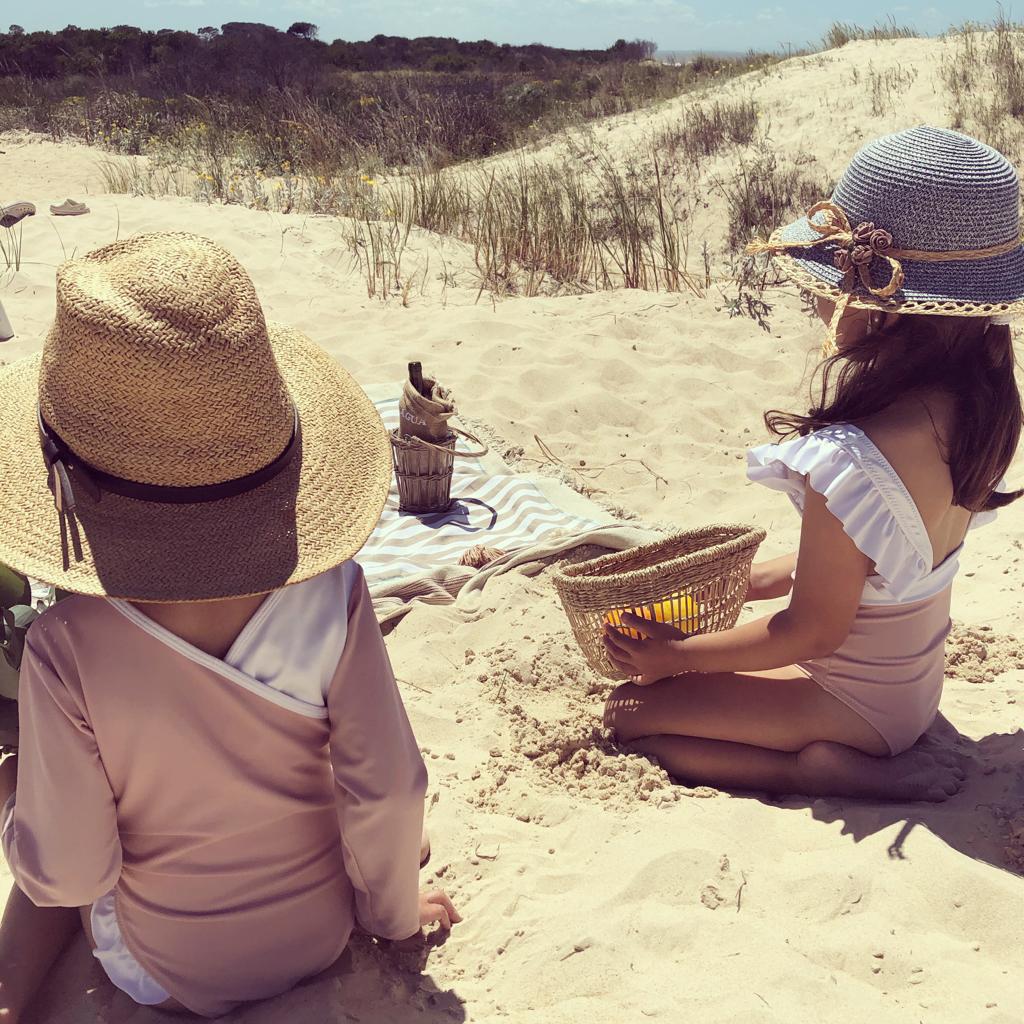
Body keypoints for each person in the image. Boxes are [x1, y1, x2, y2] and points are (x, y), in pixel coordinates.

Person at [0, 232, 459, 1020]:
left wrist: (18, 803)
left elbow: (73, 874)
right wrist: (391, 915)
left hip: (157, 971)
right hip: (319, 937)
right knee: (397, 833)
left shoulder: (64, 649)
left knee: (47, 828)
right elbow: (388, 786)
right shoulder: (335, 596)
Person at [603, 125, 1022, 802]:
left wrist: (672, 658)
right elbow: (856, 565)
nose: (818, 296)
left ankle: (817, 771)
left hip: (850, 709)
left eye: (827, 280)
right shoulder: (985, 407)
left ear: (882, 311)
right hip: (909, 693)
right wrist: (733, 587)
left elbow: (813, 630)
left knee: (627, 714)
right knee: (672, 691)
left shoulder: (853, 458)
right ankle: (838, 753)